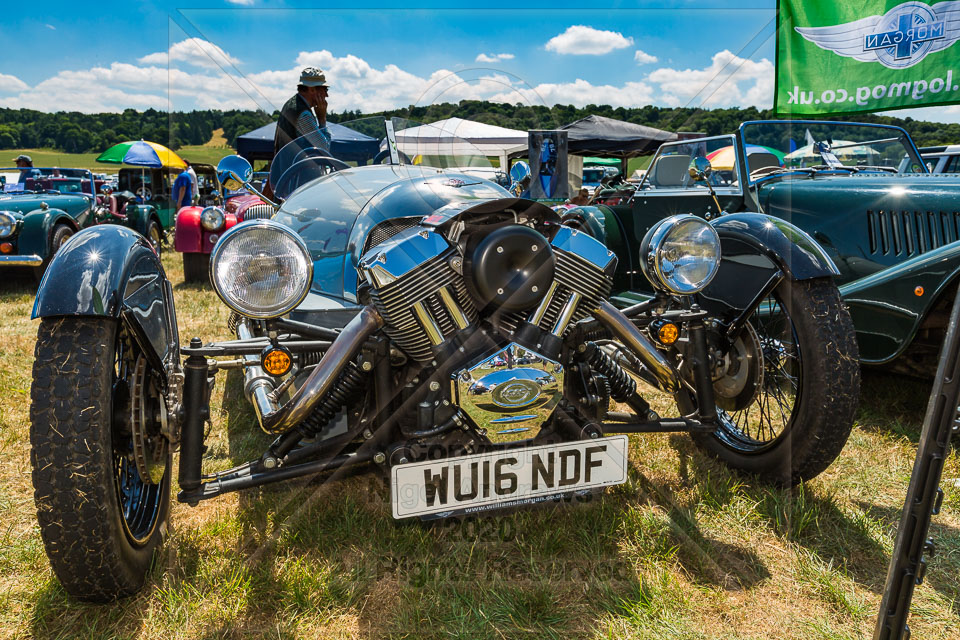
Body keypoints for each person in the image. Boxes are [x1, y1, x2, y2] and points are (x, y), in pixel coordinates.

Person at [274, 67, 332, 157]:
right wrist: (322, 119)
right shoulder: (303, 114)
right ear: (312, 89)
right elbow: (324, 148)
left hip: (289, 168)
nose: (326, 95)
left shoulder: (292, 105)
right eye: (325, 89)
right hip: (298, 170)